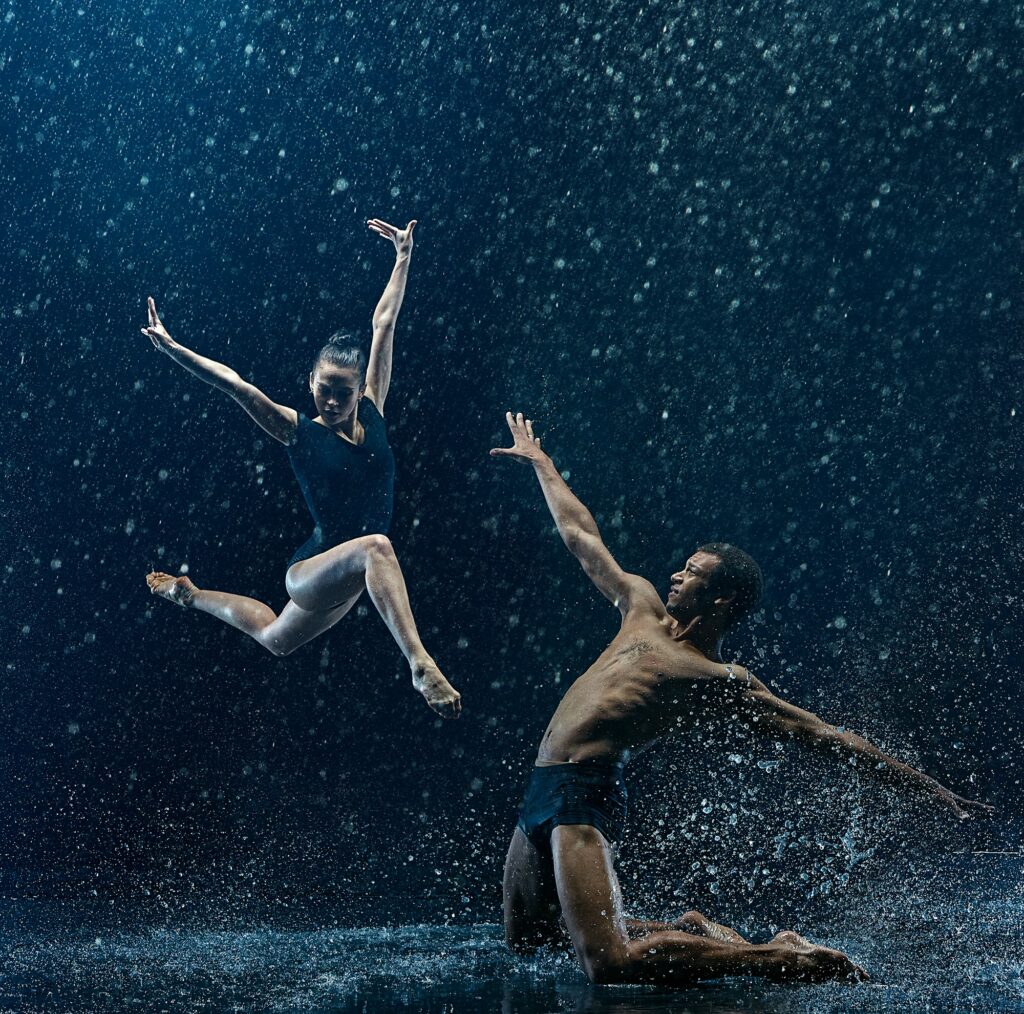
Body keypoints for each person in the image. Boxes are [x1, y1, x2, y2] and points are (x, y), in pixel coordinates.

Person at [491, 411, 992, 986]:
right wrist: (541, 463)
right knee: (532, 941)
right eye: (682, 566)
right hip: (541, 783)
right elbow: (581, 536)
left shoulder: (719, 677)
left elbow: (828, 737)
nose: (676, 577)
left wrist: (934, 792)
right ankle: (699, 930)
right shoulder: (641, 608)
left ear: (722, 601)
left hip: (583, 790)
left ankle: (786, 959)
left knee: (608, 962)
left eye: (693, 573)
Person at [140, 219, 461, 719]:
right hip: (314, 570)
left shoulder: (374, 409)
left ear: (360, 390)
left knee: (274, 638)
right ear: (310, 379)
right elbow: (236, 385)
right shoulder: (297, 430)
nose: (331, 400)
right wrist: (176, 350)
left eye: (343, 391)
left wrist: (403, 257)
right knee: (379, 547)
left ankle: (190, 594)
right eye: (323, 387)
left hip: (354, 577)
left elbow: (384, 324)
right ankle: (420, 664)